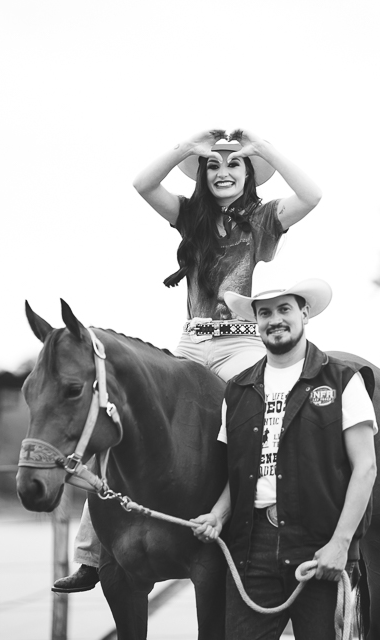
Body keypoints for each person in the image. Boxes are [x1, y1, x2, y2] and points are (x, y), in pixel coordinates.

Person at [52, 129, 322, 593]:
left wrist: (261, 149)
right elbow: (142, 184)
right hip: (192, 342)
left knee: (265, 419)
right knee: (125, 418)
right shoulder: (189, 215)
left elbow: (312, 195)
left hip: (241, 343)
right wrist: (187, 147)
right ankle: (91, 555)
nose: (223, 172)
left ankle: (275, 531)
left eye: (234, 165)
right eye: (213, 166)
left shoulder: (262, 218)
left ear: (248, 175)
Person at [190, 278, 377, 640]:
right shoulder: (238, 390)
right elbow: (242, 474)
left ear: (304, 312)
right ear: (256, 322)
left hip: (320, 547)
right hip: (251, 550)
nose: (274, 319)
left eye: (284, 309)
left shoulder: (343, 382)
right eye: (264, 313)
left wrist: (340, 545)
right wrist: (217, 514)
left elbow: (365, 468)